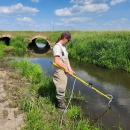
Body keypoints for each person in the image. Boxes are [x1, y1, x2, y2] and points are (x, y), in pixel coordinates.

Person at [52, 31, 75, 111]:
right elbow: (57, 61)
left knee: (63, 85)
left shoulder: (64, 47)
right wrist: (65, 68)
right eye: (68, 40)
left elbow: (66, 59)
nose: (68, 42)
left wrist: (70, 69)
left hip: (64, 70)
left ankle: (61, 101)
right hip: (59, 70)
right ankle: (60, 106)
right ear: (65, 38)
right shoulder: (57, 47)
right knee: (61, 87)